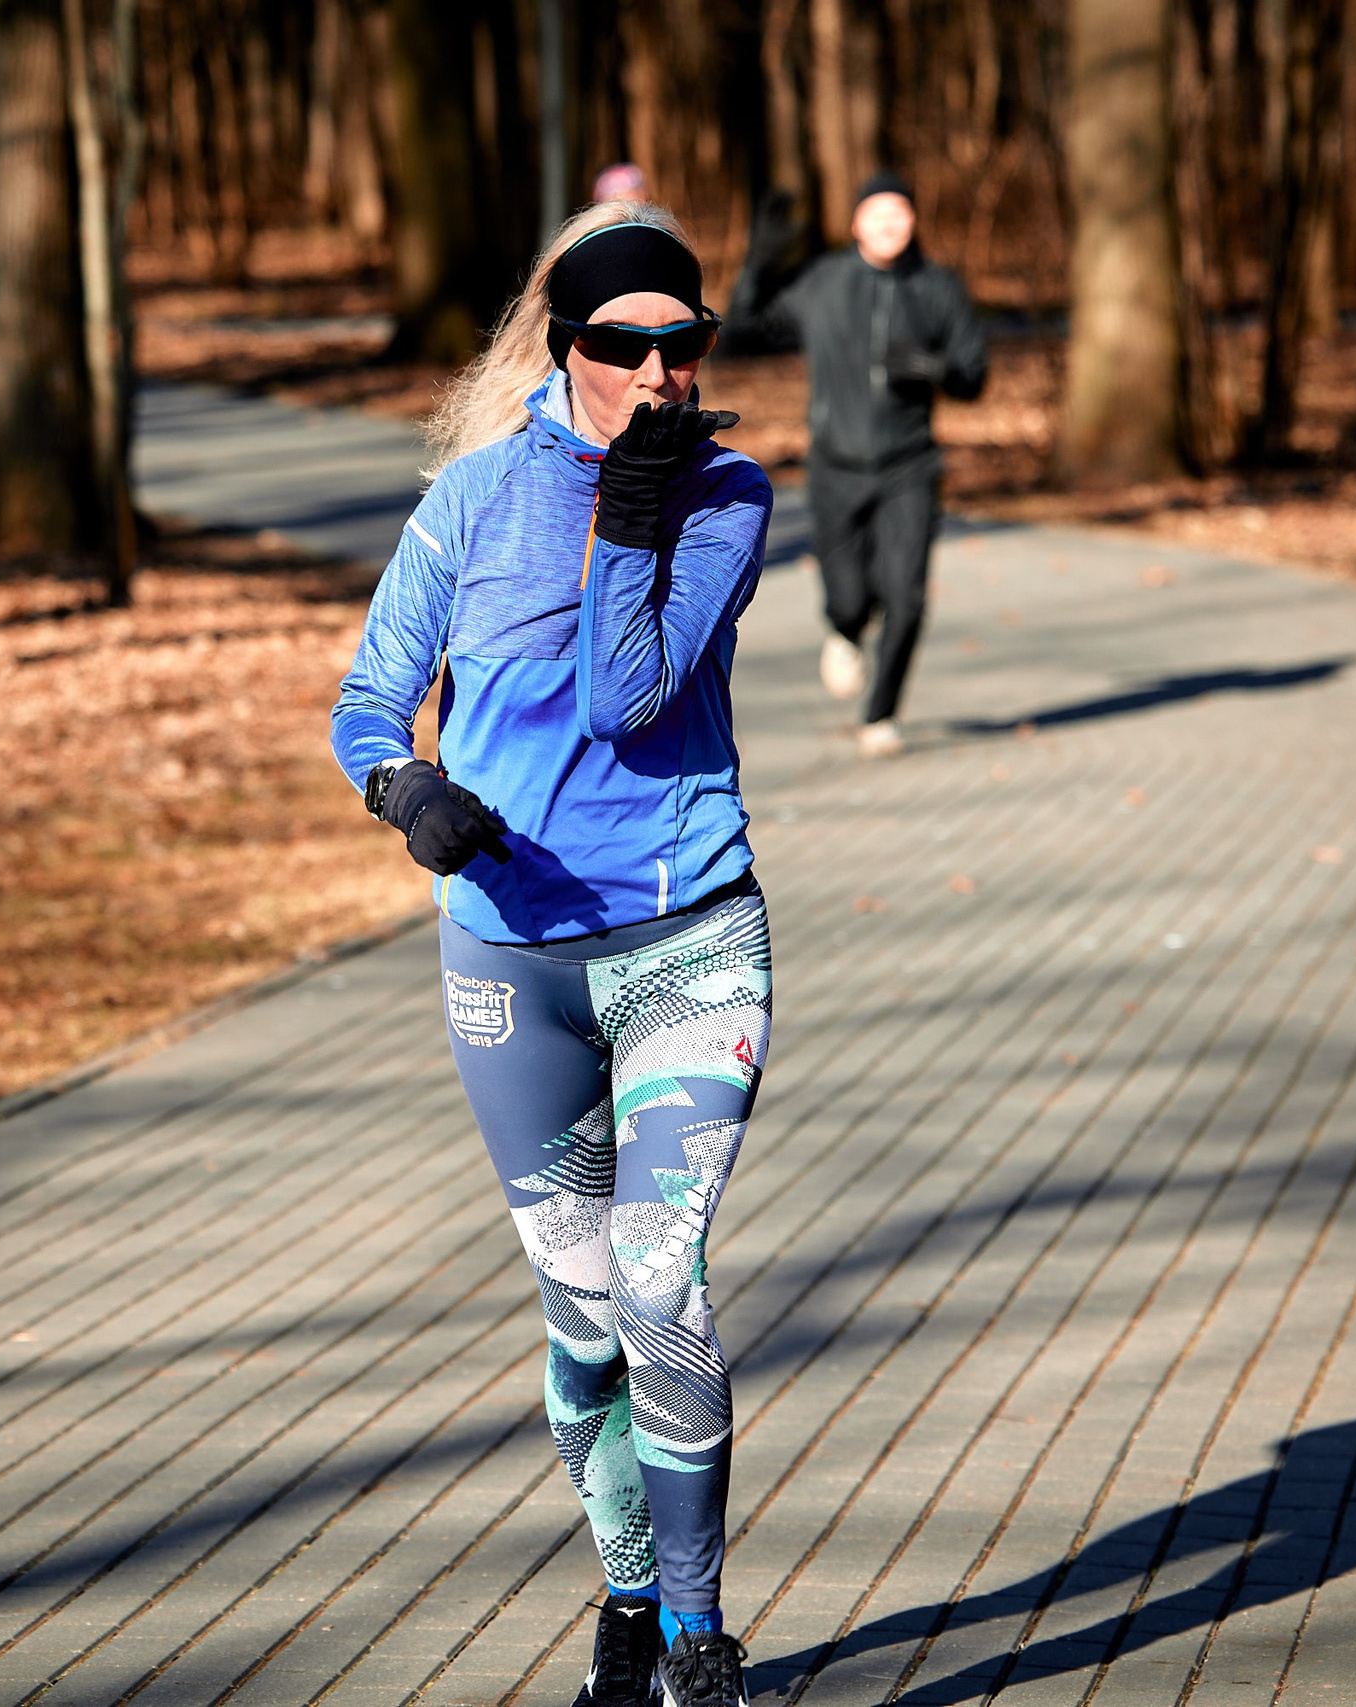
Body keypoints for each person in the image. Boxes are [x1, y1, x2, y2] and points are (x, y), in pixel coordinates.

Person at [331, 202, 772, 1707]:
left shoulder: (724, 490)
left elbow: (630, 695)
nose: (656, 371)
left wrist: (639, 508)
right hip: (510, 961)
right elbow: (367, 696)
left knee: (662, 1281)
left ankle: (703, 1639)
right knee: (583, 1330)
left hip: (686, 942)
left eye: (681, 342)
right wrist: (408, 792)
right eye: (620, 343)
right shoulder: (467, 501)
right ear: (564, 345)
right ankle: (632, 1600)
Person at [725, 171, 987, 758]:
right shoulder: (825, 282)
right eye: (877, 212)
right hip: (836, 465)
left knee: (908, 596)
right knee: (848, 599)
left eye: (900, 212)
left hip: (909, 465)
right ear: (856, 224)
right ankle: (845, 630)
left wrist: (933, 367)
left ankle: (882, 715)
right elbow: (745, 330)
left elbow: (974, 374)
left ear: (914, 220)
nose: (890, 223)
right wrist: (759, 262)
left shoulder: (939, 289)